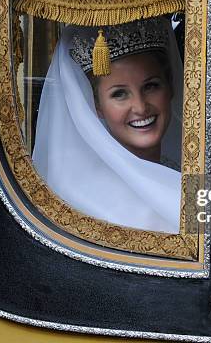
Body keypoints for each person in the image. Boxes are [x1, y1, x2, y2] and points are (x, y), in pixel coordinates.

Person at [32, 17, 182, 234]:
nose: (140, 107)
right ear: (97, 105)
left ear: (170, 87)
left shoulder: (179, 171)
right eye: (119, 94)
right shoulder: (85, 201)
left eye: (151, 86)